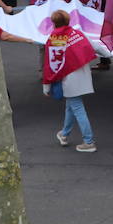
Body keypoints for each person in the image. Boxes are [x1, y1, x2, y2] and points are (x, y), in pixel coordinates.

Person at [42, 10, 98, 153]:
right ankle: (64, 134)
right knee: (71, 106)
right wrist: (109, 54)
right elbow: (95, 47)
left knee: (77, 108)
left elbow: (50, 64)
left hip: (68, 79)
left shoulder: (53, 40)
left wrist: (46, 86)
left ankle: (89, 141)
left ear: (54, 23)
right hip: (83, 75)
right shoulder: (77, 33)